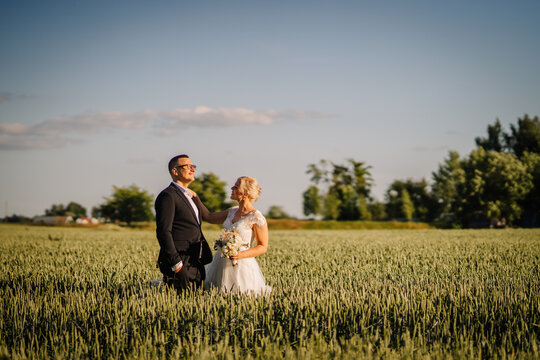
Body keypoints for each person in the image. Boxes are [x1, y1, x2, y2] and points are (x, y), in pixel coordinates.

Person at [191, 176, 271, 295]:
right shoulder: (232, 211)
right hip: (221, 261)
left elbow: (262, 246)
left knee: (240, 294)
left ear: (246, 193)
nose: (232, 188)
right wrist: (196, 197)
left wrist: (240, 255)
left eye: (236, 187)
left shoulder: (257, 217)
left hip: (242, 263)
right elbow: (208, 217)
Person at [155, 154, 212, 294]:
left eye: (193, 166)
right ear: (175, 171)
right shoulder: (168, 196)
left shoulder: (190, 196)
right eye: (187, 166)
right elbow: (164, 232)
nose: (192, 169)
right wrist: (176, 264)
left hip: (195, 262)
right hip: (180, 263)